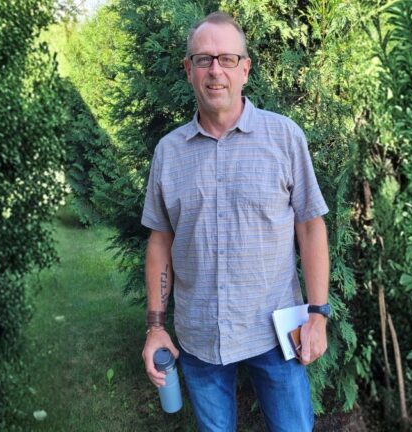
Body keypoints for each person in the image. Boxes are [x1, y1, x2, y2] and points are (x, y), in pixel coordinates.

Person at [140, 11, 331, 432]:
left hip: (275, 333)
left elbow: (310, 225)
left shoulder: (285, 137)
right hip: (200, 336)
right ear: (188, 69)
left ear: (245, 69)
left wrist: (318, 314)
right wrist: (155, 327)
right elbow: (160, 241)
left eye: (227, 59)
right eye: (204, 59)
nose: (216, 70)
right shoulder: (169, 152)